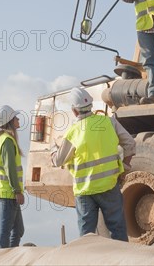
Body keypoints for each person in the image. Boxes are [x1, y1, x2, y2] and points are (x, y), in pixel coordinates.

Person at [51, 87, 136, 241]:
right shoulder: (109, 122)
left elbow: (58, 161)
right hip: (109, 186)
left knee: (87, 236)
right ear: (91, 105)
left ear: (74, 111)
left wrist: (53, 149)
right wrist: (125, 167)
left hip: (85, 191)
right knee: (117, 230)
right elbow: (130, 144)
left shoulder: (73, 132)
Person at [0, 105, 25, 248]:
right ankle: (2, 260)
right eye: (15, 117)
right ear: (10, 121)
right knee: (5, 232)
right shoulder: (7, 141)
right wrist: (17, 191)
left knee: (18, 230)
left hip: (7, 192)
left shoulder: (4, 139)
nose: (18, 119)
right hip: (8, 193)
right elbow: (10, 168)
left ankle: (11, 258)